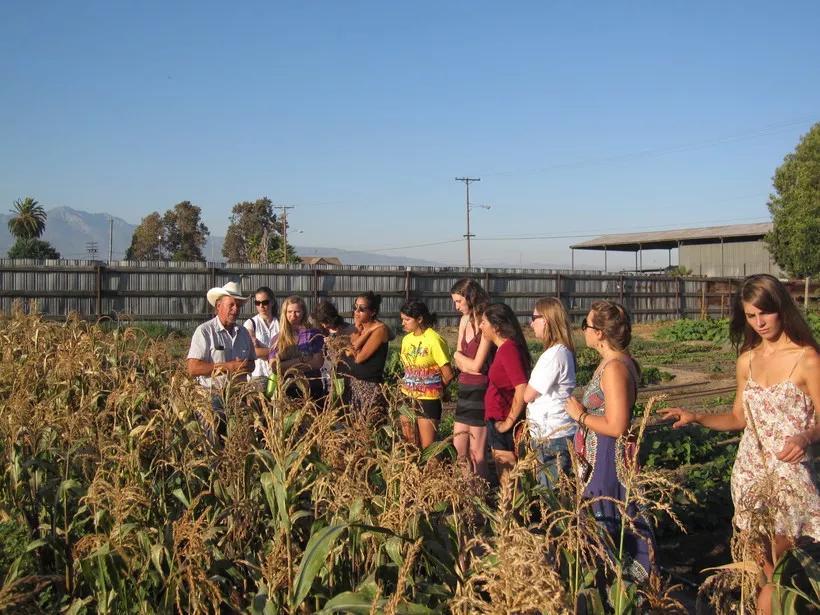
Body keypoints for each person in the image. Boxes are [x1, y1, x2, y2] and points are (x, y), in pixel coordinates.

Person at [661, 274, 819, 613]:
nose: (759, 323)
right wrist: (697, 416)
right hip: (749, 476)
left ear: (782, 309)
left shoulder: (807, 358)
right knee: (763, 572)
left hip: (789, 478)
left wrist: (806, 436)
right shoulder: (747, 359)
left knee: (782, 574)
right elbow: (739, 418)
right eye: (750, 315)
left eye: (765, 313)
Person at [564, 300, 657, 583]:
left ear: (600, 333)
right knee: (607, 518)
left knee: (609, 517)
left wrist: (580, 416)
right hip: (600, 454)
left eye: (587, 326)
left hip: (607, 456)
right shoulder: (612, 362)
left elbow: (617, 425)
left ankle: (621, 586)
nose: (584, 331)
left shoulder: (615, 367)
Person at [186, 281, 255, 439]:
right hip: (212, 397)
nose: (235, 309)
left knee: (241, 441)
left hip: (238, 397)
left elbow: (252, 363)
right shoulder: (205, 331)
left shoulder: (243, 333)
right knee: (215, 441)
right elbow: (193, 368)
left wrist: (245, 366)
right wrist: (229, 367)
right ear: (218, 306)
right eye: (231, 305)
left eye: (238, 305)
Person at [523, 297, 577, 489]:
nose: (531, 323)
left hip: (552, 434)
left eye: (534, 317)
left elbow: (528, 395)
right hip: (554, 432)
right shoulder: (561, 351)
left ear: (545, 320)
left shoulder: (554, 355)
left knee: (552, 492)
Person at [480, 302, 532, 486]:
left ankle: (512, 514)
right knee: (506, 479)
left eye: (484, 323)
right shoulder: (504, 349)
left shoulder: (509, 350)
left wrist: (509, 421)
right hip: (497, 418)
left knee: (508, 481)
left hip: (503, 420)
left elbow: (521, 386)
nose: (480, 326)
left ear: (496, 327)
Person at [450, 279, 492, 480]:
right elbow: (459, 358)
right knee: (459, 448)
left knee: (477, 454)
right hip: (465, 388)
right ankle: (464, 496)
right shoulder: (464, 320)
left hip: (480, 390)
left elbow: (477, 366)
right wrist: (463, 360)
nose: (456, 306)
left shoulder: (485, 323)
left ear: (470, 298)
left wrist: (460, 358)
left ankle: (480, 497)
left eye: (459, 301)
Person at [398, 300, 454, 449]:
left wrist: (436, 388)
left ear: (420, 319)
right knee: (408, 444)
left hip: (428, 399)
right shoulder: (406, 340)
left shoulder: (434, 340)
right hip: (407, 396)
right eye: (402, 319)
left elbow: (448, 374)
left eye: (407, 319)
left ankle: (433, 472)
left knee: (428, 448)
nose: (403, 323)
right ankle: (411, 472)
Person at [269, 295, 325, 399]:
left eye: (297, 311)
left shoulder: (314, 334)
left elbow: (318, 363)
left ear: (303, 312)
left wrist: (286, 365)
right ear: (284, 314)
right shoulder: (277, 339)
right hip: (288, 388)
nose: (293, 315)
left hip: (312, 387)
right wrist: (302, 360)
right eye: (289, 312)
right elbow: (274, 367)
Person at [343, 292, 392, 413]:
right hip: (353, 385)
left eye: (362, 309)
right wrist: (366, 331)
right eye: (355, 307)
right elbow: (349, 352)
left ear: (373, 312)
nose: (356, 311)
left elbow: (359, 358)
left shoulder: (380, 329)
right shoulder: (359, 328)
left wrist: (370, 331)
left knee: (369, 426)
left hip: (369, 386)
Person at [243, 286, 280, 383]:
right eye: (257, 303)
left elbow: (288, 348)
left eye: (265, 302)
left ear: (272, 302)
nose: (261, 306)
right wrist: (276, 352)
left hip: (278, 375)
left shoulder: (281, 322)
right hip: (258, 375)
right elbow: (253, 352)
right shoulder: (250, 323)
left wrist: (261, 349)